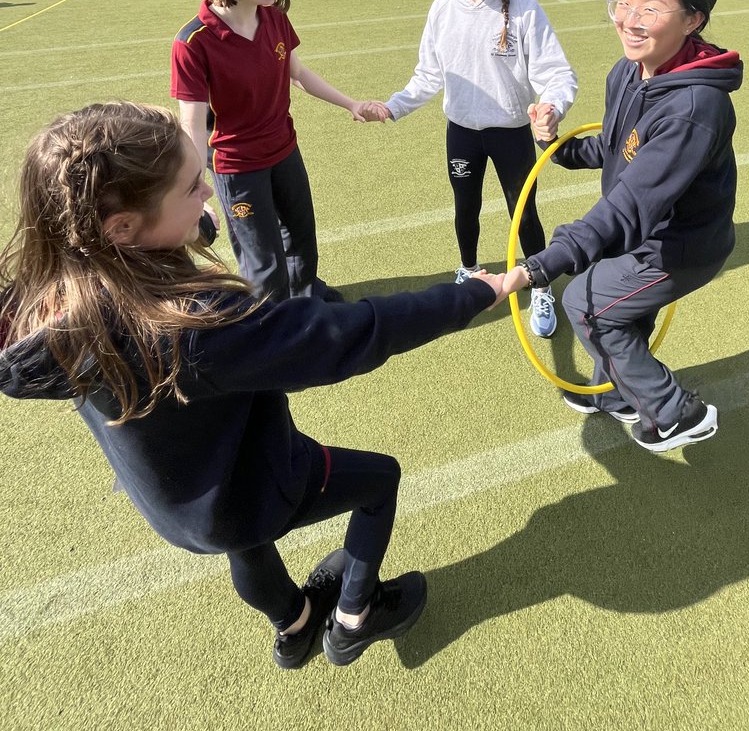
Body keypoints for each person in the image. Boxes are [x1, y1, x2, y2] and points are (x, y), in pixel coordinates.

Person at [0, 101, 508, 669]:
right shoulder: (194, 328)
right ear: (123, 228)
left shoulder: (55, 300)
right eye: (194, 188)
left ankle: (294, 626)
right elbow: (348, 336)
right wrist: (473, 295)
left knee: (244, 544)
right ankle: (353, 619)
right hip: (253, 483)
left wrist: (189, 223)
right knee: (380, 479)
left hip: (178, 502)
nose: (210, 194)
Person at [503, 0, 743, 451]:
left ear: (694, 19)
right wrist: (555, 143)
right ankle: (618, 393)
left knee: (587, 300)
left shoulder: (695, 109)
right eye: (623, 2)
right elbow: (617, 151)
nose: (629, 20)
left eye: (651, 9)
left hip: (678, 247)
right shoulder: (627, 71)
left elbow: (630, 204)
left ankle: (677, 413)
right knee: (618, 309)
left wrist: (537, 268)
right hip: (644, 231)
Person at [382, 0, 578, 338]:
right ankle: (468, 272)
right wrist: (393, 106)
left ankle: (540, 284)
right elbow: (428, 75)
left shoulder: (523, 6)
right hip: (462, 134)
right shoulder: (441, 9)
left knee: (523, 212)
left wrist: (552, 106)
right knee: (465, 207)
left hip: (511, 135)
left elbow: (558, 74)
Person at [171, 0, 388, 306]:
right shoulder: (193, 42)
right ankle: (269, 328)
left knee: (301, 238)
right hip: (237, 166)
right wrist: (191, 187)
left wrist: (351, 104)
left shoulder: (273, 16)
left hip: (284, 150)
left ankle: (305, 300)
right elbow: (191, 122)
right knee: (263, 261)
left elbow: (298, 73)